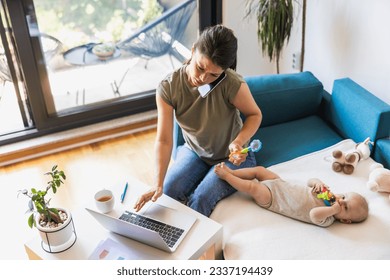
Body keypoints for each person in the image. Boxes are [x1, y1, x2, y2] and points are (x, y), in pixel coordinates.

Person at [133, 25, 262, 216]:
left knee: (201, 198)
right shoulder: (168, 88)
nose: (203, 78)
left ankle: (192, 243)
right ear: (193, 51)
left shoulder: (231, 83)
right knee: (168, 191)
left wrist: (238, 142)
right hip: (195, 151)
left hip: (232, 157)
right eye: (200, 67)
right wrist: (157, 183)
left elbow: (255, 114)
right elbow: (164, 140)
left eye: (214, 75)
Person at [214, 163, 369, 227]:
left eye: (345, 206)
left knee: (252, 187)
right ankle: (233, 172)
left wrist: (333, 210)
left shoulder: (327, 219)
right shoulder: (328, 195)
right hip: (280, 184)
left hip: (274, 199)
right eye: (344, 196)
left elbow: (313, 214)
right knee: (260, 170)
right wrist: (317, 183)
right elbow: (309, 181)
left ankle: (227, 176)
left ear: (345, 220)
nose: (341, 201)